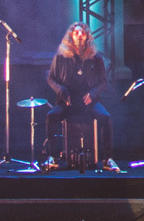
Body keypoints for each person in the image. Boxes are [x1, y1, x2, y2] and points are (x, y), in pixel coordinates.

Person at [47, 24, 111, 167]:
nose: (80, 36)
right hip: (67, 101)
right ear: (71, 36)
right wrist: (61, 90)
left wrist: (93, 94)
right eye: (76, 33)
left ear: (87, 37)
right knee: (51, 116)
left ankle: (107, 159)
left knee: (105, 117)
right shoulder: (61, 57)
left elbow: (103, 82)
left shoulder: (96, 58)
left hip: (89, 101)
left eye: (83, 33)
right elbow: (50, 78)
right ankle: (53, 157)